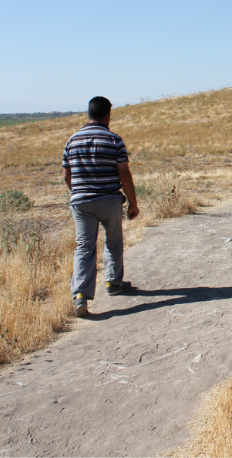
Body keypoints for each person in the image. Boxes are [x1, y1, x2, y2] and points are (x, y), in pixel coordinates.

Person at [62, 96, 140, 317]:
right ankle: (113, 282)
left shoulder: (72, 140)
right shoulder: (114, 140)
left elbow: (67, 176)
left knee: (84, 247)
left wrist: (79, 194)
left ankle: (80, 296)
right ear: (108, 115)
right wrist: (132, 203)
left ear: (89, 114)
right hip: (109, 200)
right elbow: (124, 174)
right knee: (113, 240)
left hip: (81, 202)